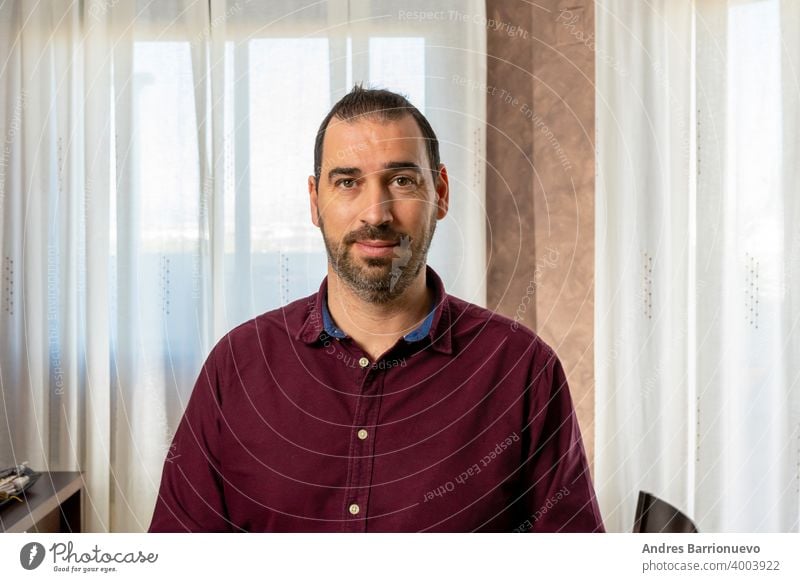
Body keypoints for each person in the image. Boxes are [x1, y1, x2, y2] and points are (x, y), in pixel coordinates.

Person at [148, 85, 604, 533]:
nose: (376, 213)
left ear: (440, 193)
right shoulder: (237, 366)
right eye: (348, 182)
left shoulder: (521, 368)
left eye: (402, 180)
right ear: (315, 201)